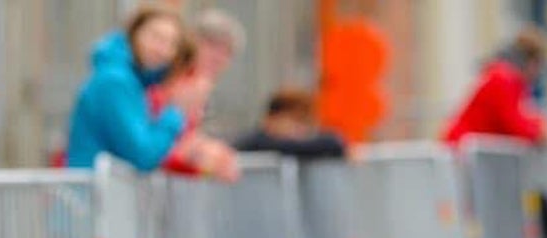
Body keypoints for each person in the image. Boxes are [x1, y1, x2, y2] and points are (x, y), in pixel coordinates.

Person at [65, 2, 207, 171]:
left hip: (103, 192)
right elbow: (143, 155)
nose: (162, 49)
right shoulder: (116, 82)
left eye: (172, 43)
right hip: (94, 193)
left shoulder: (135, 83)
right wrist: (176, 112)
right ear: (134, 33)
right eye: (156, 37)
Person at [151, 9, 245, 180]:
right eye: (212, 46)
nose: (218, 57)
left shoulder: (199, 87)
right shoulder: (168, 81)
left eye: (227, 52)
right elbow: (158, 149)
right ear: (191, 42)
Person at [440, 24, 547, 147]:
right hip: (464, 151)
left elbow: (518, 116)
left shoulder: (508, 78)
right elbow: (512, 122)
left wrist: (539, 124)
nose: (537, 73)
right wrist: (539, 131)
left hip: (473, 150)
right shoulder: (503, 78)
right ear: (531, 62)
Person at [234, 87, 348, 161]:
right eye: (295, 121)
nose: (300, 129)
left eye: (305, 123)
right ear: (273, 119)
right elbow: (329, 143)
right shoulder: (256, 143)